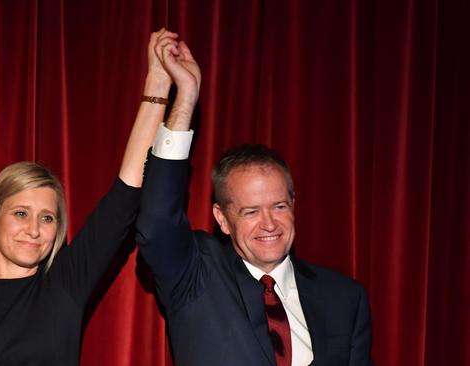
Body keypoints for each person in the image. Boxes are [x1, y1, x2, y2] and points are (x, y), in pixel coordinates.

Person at [0, 29, 178, 366]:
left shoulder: (63, 289)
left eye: (47, 217)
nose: (34, 229)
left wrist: (158, 86)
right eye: (20, 213)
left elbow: (126, 194)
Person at [136, 32, 372, 365]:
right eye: (250, 211)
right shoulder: (196, 275)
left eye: (279, 206)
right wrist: (186, 97)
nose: (269, 224)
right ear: (222, 219)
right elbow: (157, 222)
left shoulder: (345, 298)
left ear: (293, 204)